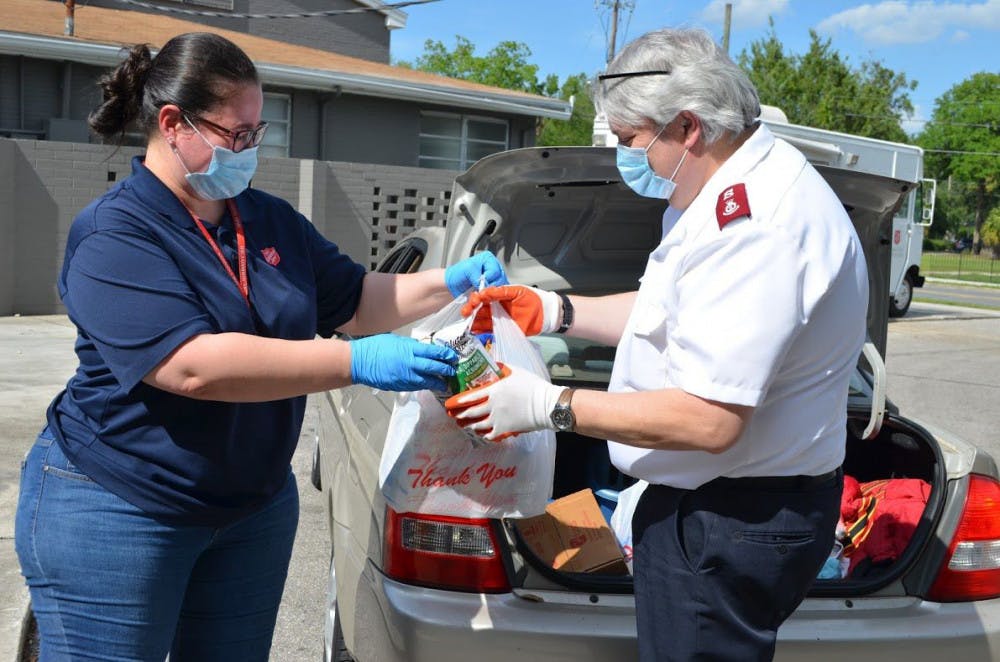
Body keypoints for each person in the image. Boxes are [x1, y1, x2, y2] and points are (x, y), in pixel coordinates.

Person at [14, 32, 506, 661]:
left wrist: (448, 282)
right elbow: (193, 366)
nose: (250, 151)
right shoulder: (115, 234)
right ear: (173, 124)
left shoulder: (265, 219)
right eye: (236, 134)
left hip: (252, 508)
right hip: (121, 505)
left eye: (257, 133)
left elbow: (357, 299)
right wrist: (358, 361)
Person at [447, 28, 868, 661]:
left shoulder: (755, 227)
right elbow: (665, 314)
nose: (624, 157)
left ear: (688, 127)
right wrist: (554, 310)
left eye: (629, 140)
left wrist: (547, 404)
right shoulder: (708, 191)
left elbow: (709, 418)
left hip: (730, 518)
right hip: (712, 502)